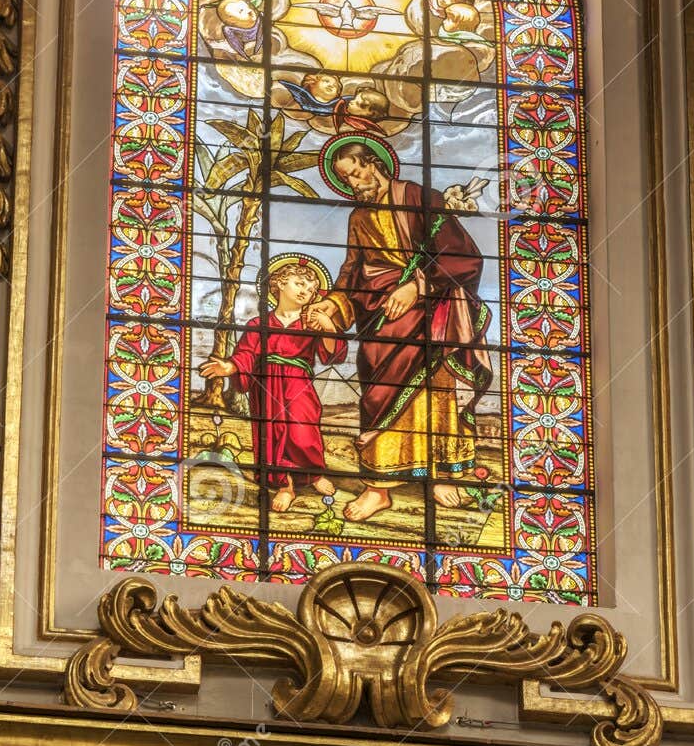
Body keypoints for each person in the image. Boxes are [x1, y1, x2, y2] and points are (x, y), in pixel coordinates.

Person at [306, 134, 492, 524]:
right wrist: (335, 303)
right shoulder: (359, 217)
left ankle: (441, 473)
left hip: (431, 312)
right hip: (380, 317)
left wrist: (417, 285)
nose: (356, 185)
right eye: (348, 181)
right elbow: (352, 270)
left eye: (358, 174)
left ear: (374, 163)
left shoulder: (418, 197)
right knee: (379, 392)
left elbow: (463, 256)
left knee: (437, 388)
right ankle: (379, 490)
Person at [199, 254, 346, 513]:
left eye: (311, 290)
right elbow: (246, 354)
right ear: (279, 283)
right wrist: (229, 366)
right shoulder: (259, 324)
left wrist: (329, 327)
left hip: (299, 384)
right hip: (267, 385)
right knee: (273, 435)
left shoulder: (311, 322)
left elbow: (332, 354)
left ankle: (311, 475)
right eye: (300, 284)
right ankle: (286, 485)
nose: (306, 291)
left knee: (303, 432)